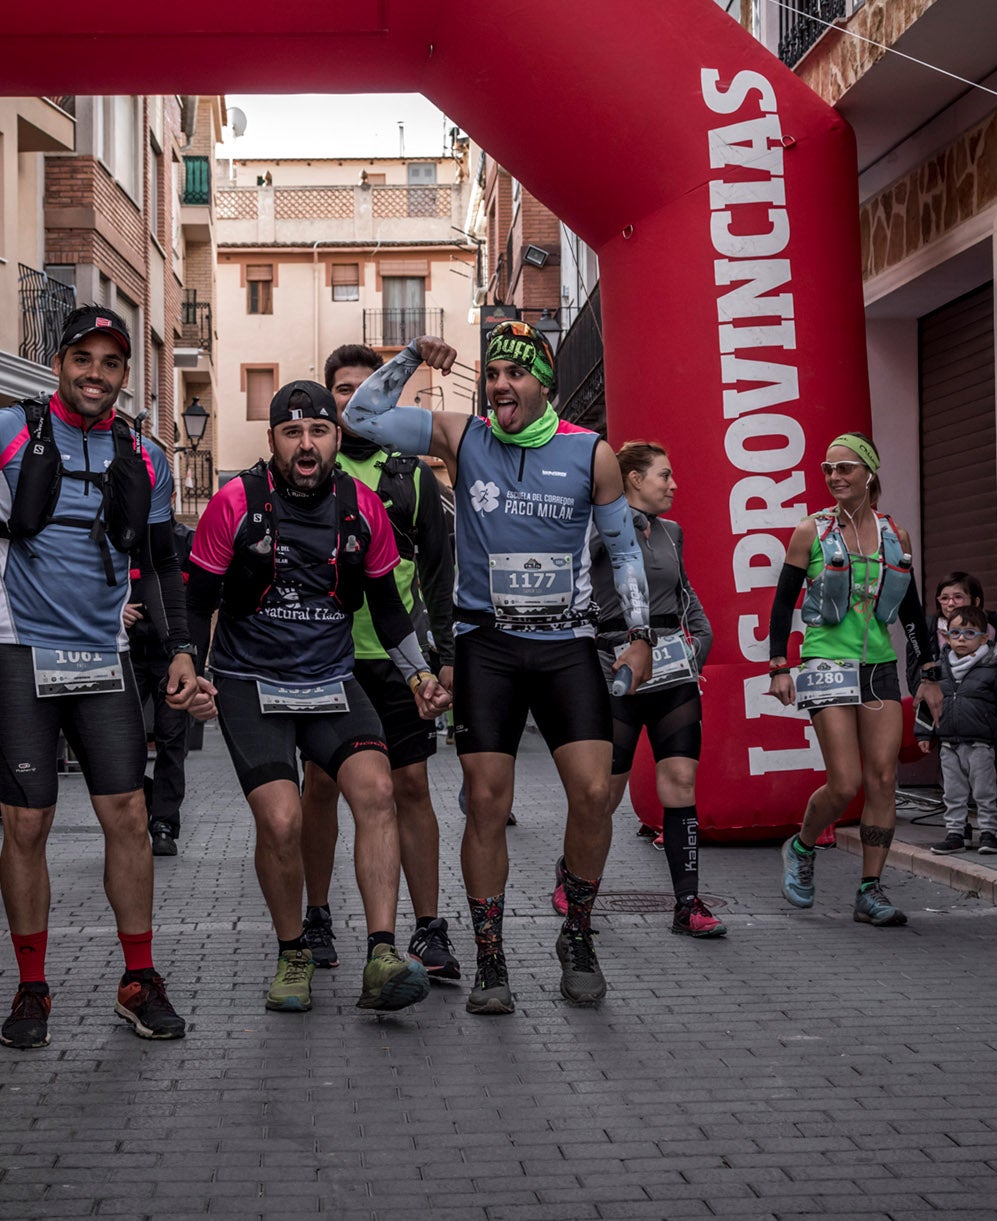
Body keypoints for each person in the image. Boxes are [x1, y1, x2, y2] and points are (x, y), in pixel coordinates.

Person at [0, 307, 201, 1050]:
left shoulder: (145, 455)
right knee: (28, 821)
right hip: (15, 650)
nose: (96, 373)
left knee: (128, 816)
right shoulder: (7, 431)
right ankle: (32, 985)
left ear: (125, 375)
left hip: (101, 656)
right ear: (59, 362)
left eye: (111, 362)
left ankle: (138, 978)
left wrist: (181, 646)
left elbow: (159, 564)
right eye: (82, 358)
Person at [344, 324, 655, 1013]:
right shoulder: (464, 437)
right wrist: (409, 359)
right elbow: (359, 416)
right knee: (487, 801)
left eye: (514, 373)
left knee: (595, 792)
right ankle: (490, 957)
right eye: (491, 374)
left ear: (543, 380)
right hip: (488, 641)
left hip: (567, 641)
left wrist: (639, 634)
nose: (500, 385)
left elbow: (623, 549)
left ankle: (576, 932)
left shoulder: (590, 453)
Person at [184, 380, 451, 1014]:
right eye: (292, 432)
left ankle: (383, 954)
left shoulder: (363, 507)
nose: (307, 445)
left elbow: (389, 611)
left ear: (336, 436)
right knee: (281, 818)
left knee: (379, 789)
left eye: (319, 431)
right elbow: (196, 601)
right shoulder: (235, 503)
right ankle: (293, 952)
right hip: (252, 681)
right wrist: (191, 668)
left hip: (330, 680)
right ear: (272, 439)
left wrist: (419, 676)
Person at [298, 345, 461, 982]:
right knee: (323, 789)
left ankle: (428, 928)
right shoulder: (309, 470)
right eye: (342, 390)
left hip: (401, 661)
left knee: (412, 788)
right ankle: (316, 916)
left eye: (368, 390)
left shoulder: (411, 475)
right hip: (325, 660)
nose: (354, 401)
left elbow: (444, 574)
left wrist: (446, 658)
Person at [766, 433, 942, 927]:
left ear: (869, 473)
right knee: (845, 784)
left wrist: (928, 672)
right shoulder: (811, 531)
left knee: (883, 780)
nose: (835, 477)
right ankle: (801, 847)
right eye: (828, 469)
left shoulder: (895, 535)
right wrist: (779, 664)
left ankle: (870, 889)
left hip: (879, 668)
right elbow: (783, 603)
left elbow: (910, 607)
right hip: (825, 665)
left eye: (845, 468)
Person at [586, 441, 724, 937]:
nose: (673, 485)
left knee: (681, 784)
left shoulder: (674, 532)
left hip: (670, 670)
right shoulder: (596, 525)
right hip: (615, 668)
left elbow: (683, 592)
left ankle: (687, 904)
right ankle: (577, 879)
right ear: (633, 480)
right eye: (664, 476)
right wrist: (612, 523)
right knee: (603, 794)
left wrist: (702, 641)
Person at [916, 607, 997, 855]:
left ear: (984, 637)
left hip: (981, 744)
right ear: (947, 636)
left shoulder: (995, 667)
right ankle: (956, 834)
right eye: (955, 633)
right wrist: (924, 734)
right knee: (953, 792)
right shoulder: (939, 667)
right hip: (948, 744)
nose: (961, 638)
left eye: (969, 633)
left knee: (986, 790)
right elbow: (927, 702)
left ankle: (988, 832)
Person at [126, 515, 196, 858]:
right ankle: (144, 802)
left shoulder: (186, 542)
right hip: (125, 654)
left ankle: (164, 824)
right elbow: (89, 589)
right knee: (121, 744)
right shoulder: (119, 539)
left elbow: (200, 602)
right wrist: (115, 611)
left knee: (171, 742)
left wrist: (193, 657)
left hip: (171, 658)